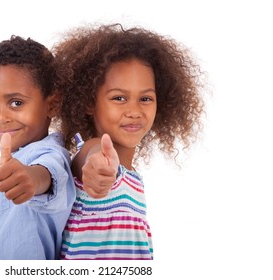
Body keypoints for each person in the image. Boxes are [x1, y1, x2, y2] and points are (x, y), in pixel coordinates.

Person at [53, 23, 204, 260]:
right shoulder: (95, 155)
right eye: (119, 98)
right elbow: (90, 159)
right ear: (89, 102)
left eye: (145, 98)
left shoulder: (132, 178)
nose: (134, 110)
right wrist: (96, 168)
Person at [0, 35, 75, 260]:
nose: (1, 117)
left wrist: (31, 179)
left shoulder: (50, 153)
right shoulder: (6, 161)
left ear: (52, 104)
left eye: (16, 103)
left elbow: (47, 174)